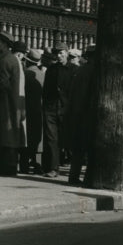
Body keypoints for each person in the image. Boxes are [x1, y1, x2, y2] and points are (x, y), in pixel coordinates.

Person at [0, 31, 25, 177]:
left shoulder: (4, 60)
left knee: (5, 134)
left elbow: (1, 85)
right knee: (11, 133)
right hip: (14, 102)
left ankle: (7, 168)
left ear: (4, 44)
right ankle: (10, 167)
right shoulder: (12, 59)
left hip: (5, 103)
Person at [65, 44, 98, 185]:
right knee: (91, 148)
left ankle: (73, 176)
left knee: (78, 149)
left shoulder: (80, 70)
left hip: (76, 113)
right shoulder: (96, 72)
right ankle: (89, 178)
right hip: (89, 114)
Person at [42, 42, 74, 178]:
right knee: (51, 138)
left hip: (67, 109)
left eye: (61, 53)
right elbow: (46, 90)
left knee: (67, 138)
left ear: (67, 53)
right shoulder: (51, 69)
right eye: (57, 53)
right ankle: (53, 168)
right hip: (51, 108)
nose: (59, 56)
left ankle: (72, 166)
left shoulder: (74, 70)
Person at [21, 48, 46, 174]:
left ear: (27, 61)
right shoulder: (42, 74)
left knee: (26, 136)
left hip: (27, 108)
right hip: (40, 108)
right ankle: (38, 164)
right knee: (38, 137)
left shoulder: (25, 74)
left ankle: (24, 165)